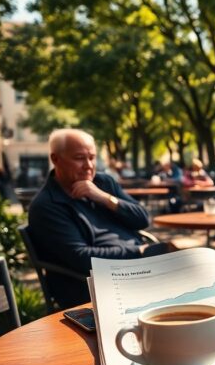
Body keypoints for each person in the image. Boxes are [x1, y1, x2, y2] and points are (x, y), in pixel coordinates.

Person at [28, 129, 176, 309]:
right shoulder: (47, 205)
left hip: (135, 271)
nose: (89, 165)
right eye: (79, 158)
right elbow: (81, 258)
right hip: (95, 287)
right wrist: (139, 252)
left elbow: (142, 219)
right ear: (56, 159)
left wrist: (105, 198)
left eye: (92, 157)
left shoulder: (103, 183)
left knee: (195, 271)